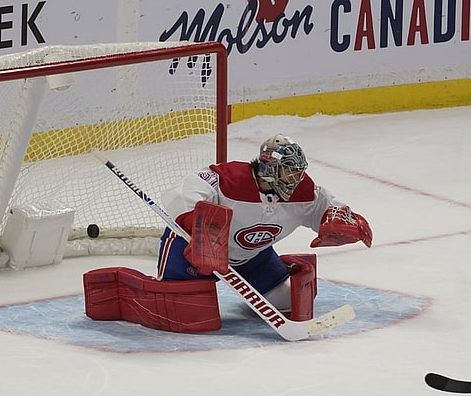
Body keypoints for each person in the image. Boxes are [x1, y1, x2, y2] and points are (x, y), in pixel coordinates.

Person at [156, 133, 373, 316]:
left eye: (299, 171)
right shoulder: (231, 180)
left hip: (253, 257)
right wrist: (196, 226)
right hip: (191, 253)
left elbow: (329, 208)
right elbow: (182, 190)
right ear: (269, 168)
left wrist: (341, 222)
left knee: (286, 303)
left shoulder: (303, 192)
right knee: (184, 313)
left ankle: (278, 268)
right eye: (289, 171)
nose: (296, 178)